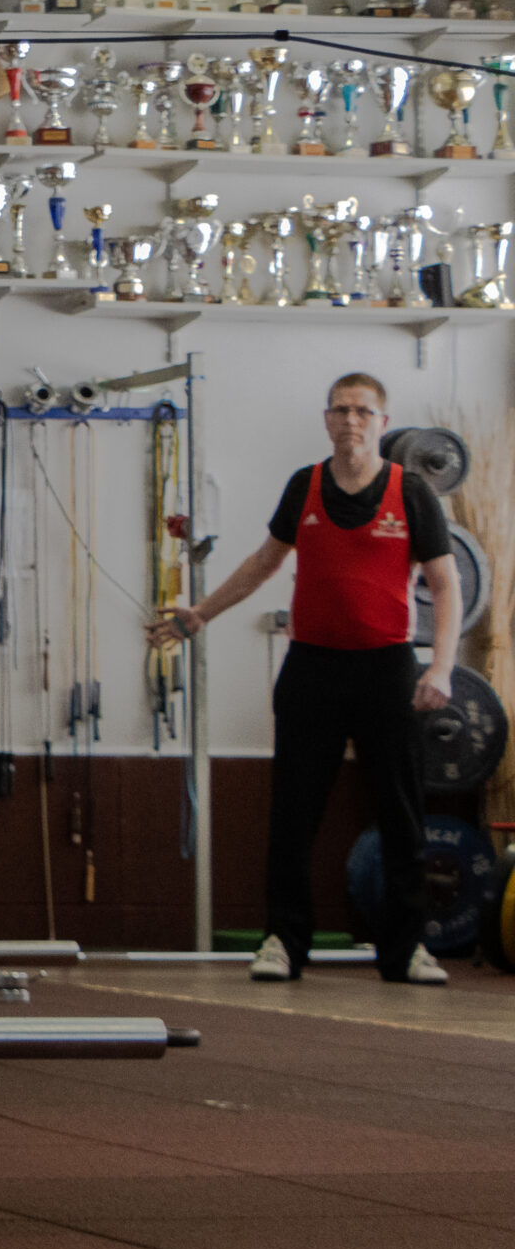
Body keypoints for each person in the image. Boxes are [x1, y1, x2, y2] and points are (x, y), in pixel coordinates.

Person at [149, 372, 459, 986]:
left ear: (382, 422)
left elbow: (445, 584)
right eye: (341, 410)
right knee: (293, 812)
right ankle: (284, 942)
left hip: (387, 669)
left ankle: (405, 950)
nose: (351, 421)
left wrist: (443, 667)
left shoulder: (411, 492)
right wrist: (201, 614)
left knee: (401, 812)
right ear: (326, 420)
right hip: (312, 668)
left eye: (363, 411)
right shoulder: (305, 486)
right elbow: (264, 563)